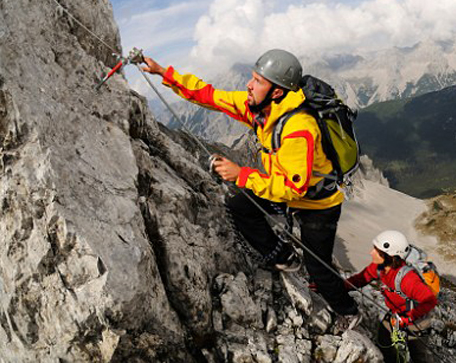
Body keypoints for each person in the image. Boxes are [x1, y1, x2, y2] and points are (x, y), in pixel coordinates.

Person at [141, 49, 360, 329]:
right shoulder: (261, 109)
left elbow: (293, 189)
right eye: (252, 77)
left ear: (277, 92)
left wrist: (241, 174)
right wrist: (164, 73)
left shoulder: (298, 129)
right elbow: (210, 96)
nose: (249, 84)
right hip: (287, 190)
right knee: (239, 204)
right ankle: (283, 256)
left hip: (318, 205)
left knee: (318, 267)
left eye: (258, 80)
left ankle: (349, 311)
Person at [345, 230, 437, 363]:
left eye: (377, 251)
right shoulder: (379, 267)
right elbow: (361, 278)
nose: (371, 253)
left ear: (389, 256)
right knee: (384, 342)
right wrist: (332, 286)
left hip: (417, 321)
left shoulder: (407, 279)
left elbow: (429, 301)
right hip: (397, 314)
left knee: (418, 355)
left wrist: (409, 317)